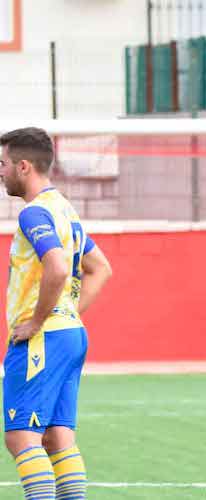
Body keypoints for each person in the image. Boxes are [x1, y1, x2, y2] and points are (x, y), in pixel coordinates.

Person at [1, 127, 113, 500]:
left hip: (42, 338)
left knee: (21, 436)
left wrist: (37, 320)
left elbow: (58, 267)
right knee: (57, 436)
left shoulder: (34, 214)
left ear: (22, 166)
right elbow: (101, 267)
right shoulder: (64, 209)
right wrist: (67, 312)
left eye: (2, 164)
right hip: (69, 333)